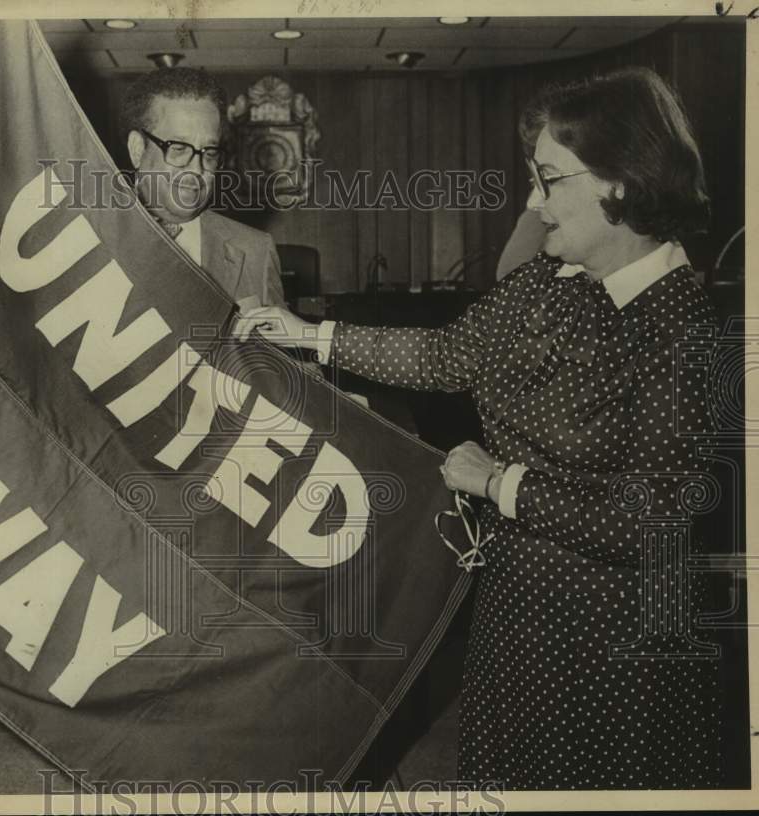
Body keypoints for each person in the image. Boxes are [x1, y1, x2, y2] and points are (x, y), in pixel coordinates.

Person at [236, 67, 722, 789]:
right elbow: (445, 354)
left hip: (613, 647)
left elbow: (654, 525)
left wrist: (501, 483)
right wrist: (311, 335)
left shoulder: (683, 331)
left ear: (618, 184)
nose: (533, 201)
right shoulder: (546, 282)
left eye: (549, 180)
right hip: (515, 609)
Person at [122, 68, 286, 308]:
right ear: (138, 149)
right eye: (178, 149)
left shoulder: (254, 251)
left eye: (209, 153)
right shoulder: (92, 236)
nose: (197, 169)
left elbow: (274, 344)